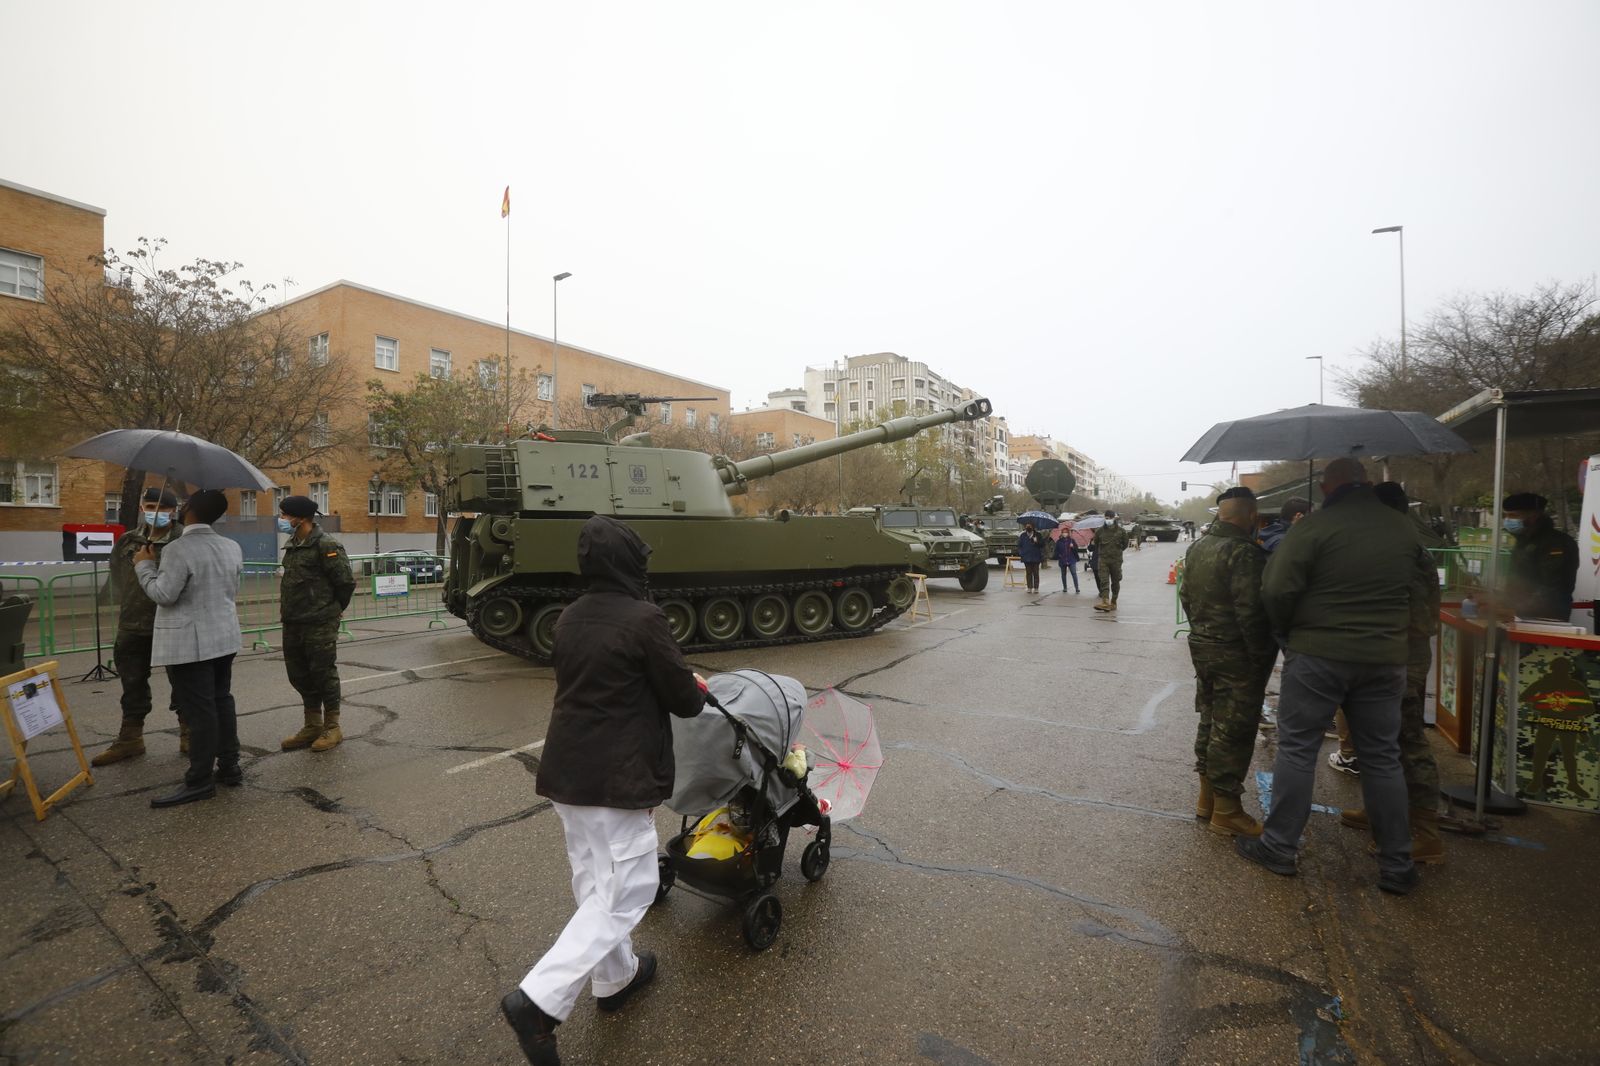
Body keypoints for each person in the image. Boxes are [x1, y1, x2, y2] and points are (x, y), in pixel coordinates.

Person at [501, 516, 706, 1066]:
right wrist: (693, 687)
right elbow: (684, 701)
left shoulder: (569, 616)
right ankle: (538, 1001)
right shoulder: (644, 618)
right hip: (618, 778)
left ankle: (616, 979)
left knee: (597, 883)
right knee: (628, 891)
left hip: (569, 773)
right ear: (630, 563)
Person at [1235, 458, 1428, 894]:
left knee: (1299, 748)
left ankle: (1280, 847)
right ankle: (1398, 862)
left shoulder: (1314, 528)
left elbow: (1275, 589)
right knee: (1381, 756)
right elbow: (1419, 590)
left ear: (1330, 486)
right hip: (1385, 657)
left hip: (1319, 652)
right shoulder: (1402, 528)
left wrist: (1289, 632)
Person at [1337, 482, 1447, 862]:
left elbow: (1416, 618)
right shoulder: (1391, 548)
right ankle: (1380, 811)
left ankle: (1425, 833)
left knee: (1407, 742)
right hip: (1382, 657)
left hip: (1401, 661)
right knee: (1376, 740)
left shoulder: (1409, 554)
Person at [133, 489, 244, 809]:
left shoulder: (179, 549)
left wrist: (144, 566)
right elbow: (230, 588)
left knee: (200, 710)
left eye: (184, 504)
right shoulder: (231, 546)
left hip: (190, 644)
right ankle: (229, 766)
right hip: (224, 637)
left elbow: (164, 594)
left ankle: (199, 780)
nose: (179, 508)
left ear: (191, 509)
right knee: (221, 700)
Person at [1180, 487, 1276, 836]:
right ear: (1251, 516)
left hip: (1204, 648)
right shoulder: (1243, 553)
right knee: (1232, 730)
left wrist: (1204, 633)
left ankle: (1206, 800)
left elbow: (1186, 597)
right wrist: (1261, 657)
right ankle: (1228, 810)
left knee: (1210, 720)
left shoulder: (1198, 547)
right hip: (1236, 653)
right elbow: (1251, 612)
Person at [92, 488, 188, 766]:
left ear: (173, 511)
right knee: (132, 682)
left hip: (171, 623)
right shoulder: (128, 541)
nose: (154, 512)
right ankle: (130, 738)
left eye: (161, 508)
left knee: (182, 681)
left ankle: (189, 733)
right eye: (148, 505)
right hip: (133, 624)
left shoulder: (183, 540)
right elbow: (118, 578)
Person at [276, 496, 355, 753]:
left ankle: (332, 726)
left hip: (319, 622)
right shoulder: (293, 544)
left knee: (323, 673)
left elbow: (345, 583)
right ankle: (312, 724)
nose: (282, 520)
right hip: (293, 621)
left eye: (285, 515)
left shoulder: (326, 544)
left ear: (300, 518)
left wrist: (331, 611)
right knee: (299, 674)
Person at [1501, 492, 1579, 621]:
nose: (1508, 520)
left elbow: (1552, 589)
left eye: (1514, 515)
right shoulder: (1524, 541)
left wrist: (1515, 609)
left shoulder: (1555, 543)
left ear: (1533, 516)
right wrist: (1502, 602)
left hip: (1546, 618)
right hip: (1521, 616)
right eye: (1506, 515)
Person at [1092, 511, 1130, 612]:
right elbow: (1096, 543)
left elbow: (1125, 544)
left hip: (1116, 560)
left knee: (1115, 582)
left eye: (1110, 518)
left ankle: (1113, 602)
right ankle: (1105, 601)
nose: (1108, 519)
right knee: (1104, 580)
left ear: (1114, 518)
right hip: (1103, 560)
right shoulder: (1099, 531)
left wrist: (1117, 552)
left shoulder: (1121, 531)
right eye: (1106, 518)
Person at [1016, 521, 1045, 593]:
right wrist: (1021, 553)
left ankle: (1036, 588)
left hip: (1036, 557)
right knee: (1028, 573)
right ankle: (1029, 587)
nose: (1028, 527)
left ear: (1033, 527)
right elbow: (1019, 545)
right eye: (1027, 526)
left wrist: (1036, 542)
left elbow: (1042, 545)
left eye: (1029, 526)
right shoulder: (1023, 535)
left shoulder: (1038, 535)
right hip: (1026, 557)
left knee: (1036, 573)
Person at [1054, 525, 1081, 593]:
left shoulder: (1072, 540)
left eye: (1066, 532)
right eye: (1063, 532)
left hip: (1071, 559)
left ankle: (1077, 588)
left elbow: (1076, 550)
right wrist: (1059, 555)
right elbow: (1056, 551)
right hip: (1062, 560)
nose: (1064, 533)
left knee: (1074, 573)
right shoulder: (1059, 541)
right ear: (1061, 533)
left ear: (1068, 533)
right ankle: (1065, 587)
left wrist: (1073, 547)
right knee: (1063, 574)